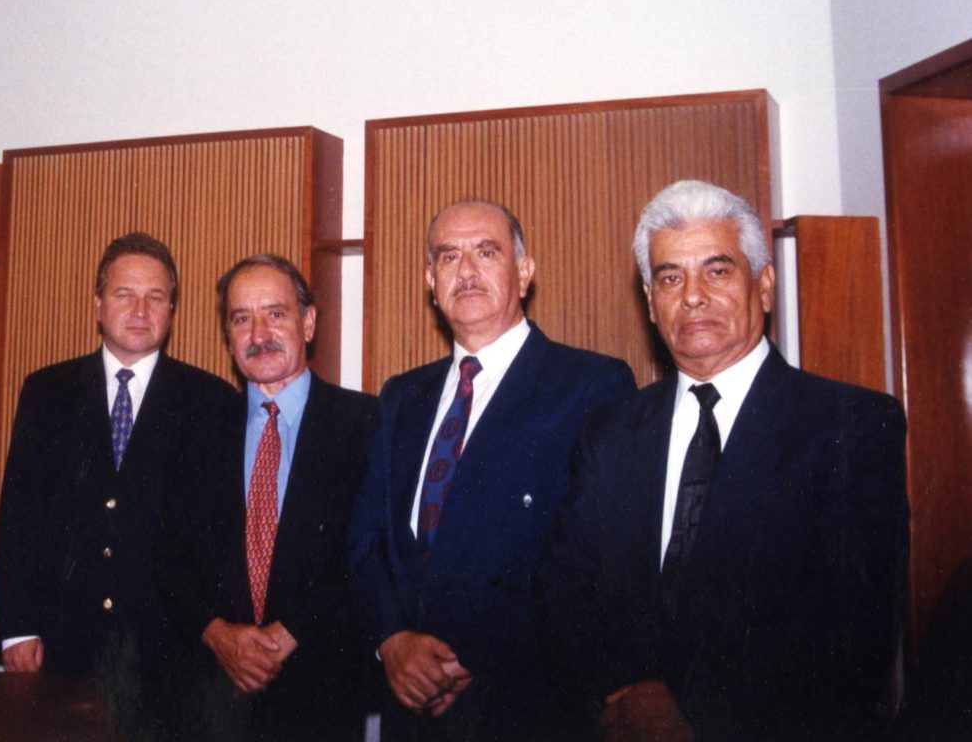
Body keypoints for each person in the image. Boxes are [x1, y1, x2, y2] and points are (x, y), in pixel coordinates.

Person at [537, 180, 909, 741]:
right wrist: (621, 707)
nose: (692, 296)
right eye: (670, 277)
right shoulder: (608, 431)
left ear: (763, 285)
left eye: (717, 270)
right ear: (649, 301)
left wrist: (694, 715)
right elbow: (563, 594)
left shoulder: (849, 424)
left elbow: (859, 626)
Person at [348, 200, 635, 739]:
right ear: (431, 281)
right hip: (408, 709)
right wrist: (391, 640)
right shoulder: (400, 396)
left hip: (525, 705)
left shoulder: (591, 386)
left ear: (524, 271)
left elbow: (593, 559)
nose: (468, 271)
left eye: (487, 252)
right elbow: (366, 538)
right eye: (449, 257)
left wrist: (476, 654)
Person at [0, 232, 232, 724]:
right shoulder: (46, 392)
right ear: (99, 304)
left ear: (172, 310)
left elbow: (218, 540)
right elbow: (20, 517)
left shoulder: (213, 401)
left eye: (156, 297)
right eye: (125, 295)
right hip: (62, 644)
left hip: (169, 653)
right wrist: (16, 629)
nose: (140, 310)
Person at [157, 254, 379, 740]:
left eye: (275, 313)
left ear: (309, 322)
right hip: (213, 698)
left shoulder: (365, 424)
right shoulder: (196, 431)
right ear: (228, 336)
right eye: (241, 319)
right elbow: (169, 555)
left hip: (321, 695)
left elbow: (372, 555)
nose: (259, 333)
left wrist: (292, 630)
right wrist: (218, 634)